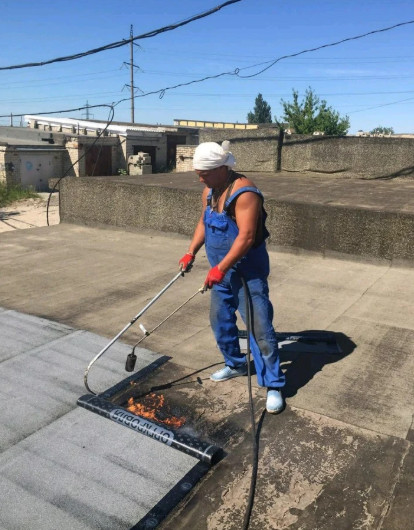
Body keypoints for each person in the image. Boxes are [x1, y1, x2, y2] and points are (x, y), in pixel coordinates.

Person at [178, 141, 285, 414]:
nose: (200, 177)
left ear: (224, 168)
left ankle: (273, 384)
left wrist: (221, 268)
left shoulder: (245, 193)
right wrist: (191, 252)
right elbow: (204, 222)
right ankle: (235, 363)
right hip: (221, 272)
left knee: (259, 328)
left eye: (205, 172)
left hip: (246, 272)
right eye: (198, 172)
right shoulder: (210, 191)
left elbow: (247, 237)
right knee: (220, 320)